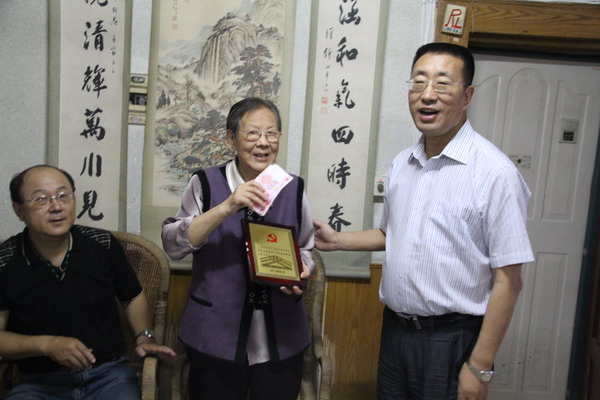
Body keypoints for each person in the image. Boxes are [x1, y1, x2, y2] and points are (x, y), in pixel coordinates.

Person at [313, 42, 534, 399]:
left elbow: (509, 281)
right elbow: (392, 233)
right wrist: (337, 240)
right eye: (418, 82)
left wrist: (480, 365)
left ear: (467, 95)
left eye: (442, 84)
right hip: (395, 331)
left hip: (451, 339)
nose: (427, 95)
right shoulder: (403, 163)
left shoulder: (495, 173)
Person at [161, 97, 315, 400]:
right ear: (231, 138)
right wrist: (227, 206)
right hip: (214, 332)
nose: (263, 142)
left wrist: (302, 269)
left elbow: (306, 247)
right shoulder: (205, 183)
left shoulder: (292, 187)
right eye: (252, 133)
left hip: (280, 335)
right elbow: (172, 244)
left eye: (272, 133)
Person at [0, 165, 176, 400]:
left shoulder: (102, 244)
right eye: (41, 199)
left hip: (109, 376)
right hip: (39, 383)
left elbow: (132, 296)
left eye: (63, 195)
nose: (56, 206)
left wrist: (144, 336)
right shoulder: (5, 261)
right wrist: (47, 345)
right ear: (19, 210)